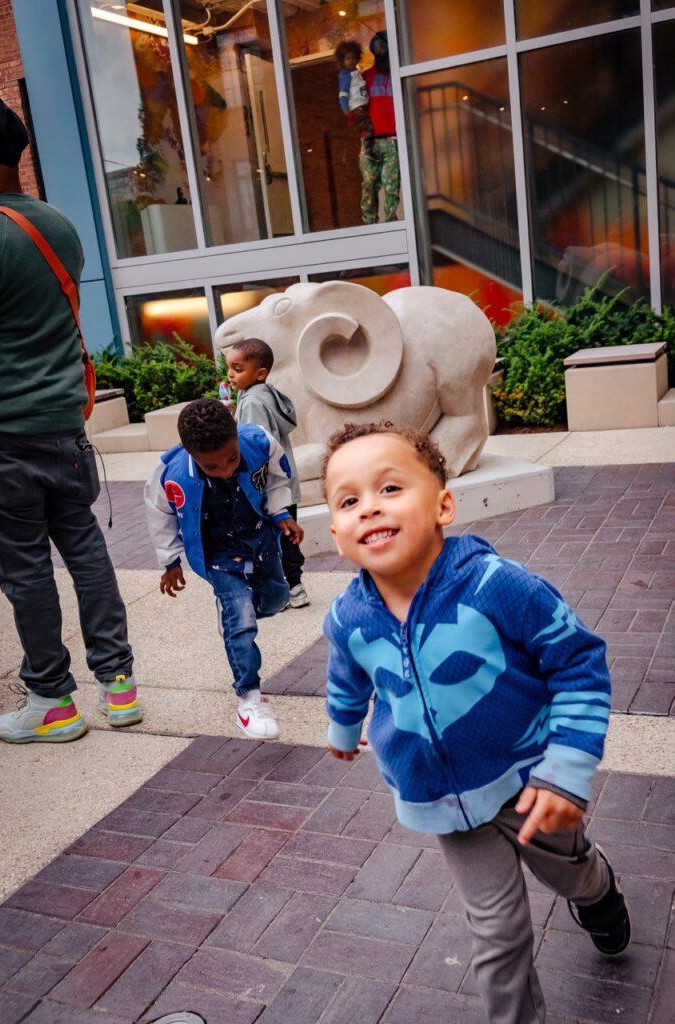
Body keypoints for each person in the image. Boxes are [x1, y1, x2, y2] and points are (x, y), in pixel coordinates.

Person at [322, 421, 630, 1024]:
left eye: (390, 488)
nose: (370, 508)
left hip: (531, 785)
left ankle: (598, 891)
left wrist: (567, 770)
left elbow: (579, 662)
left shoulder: (497, 585)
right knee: (497, 934)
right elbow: (348, 676)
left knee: (572, 875)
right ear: (336, 534)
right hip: (441, 799)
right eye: (349, 500)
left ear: (443, 505)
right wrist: (342, 726)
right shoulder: (346, 616)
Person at [0, 97, 141, 744]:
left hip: (4, 437)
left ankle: (52, 699)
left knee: (25, 570)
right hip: (64, 427)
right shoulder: (57, 223)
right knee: (85, 552)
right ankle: (119, 685)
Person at [144, 397, 303, 739]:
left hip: (259, 539)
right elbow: (160, 514)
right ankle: (249, 698)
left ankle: (234, 617)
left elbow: (278, 478)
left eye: (232, 458)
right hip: (216, 552)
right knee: (241, 619)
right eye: (212, 467)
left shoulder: (259, 442)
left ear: (236, 432)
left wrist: (280, 512)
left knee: (277, 599)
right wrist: (170, 560)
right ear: (190, 453)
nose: (226, 470)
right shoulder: (171, 473)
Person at [225, 338, 309, 609]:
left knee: (271, 539)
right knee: (288, 535)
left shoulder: (252, 402)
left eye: (238, 369)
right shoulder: (266, 394)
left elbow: (255, 446)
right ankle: (295, 586)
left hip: (267, 486)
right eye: (229, 368)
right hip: (283, 481)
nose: (230, 374)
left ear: (260, 373)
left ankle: (284, 591)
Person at [360, 31, 400, 225]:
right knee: (369, 184)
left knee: (391, 185)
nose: (381, 51)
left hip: (393, 138)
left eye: (384, 47)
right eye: (378, 48)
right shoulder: (365, 77)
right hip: (370, 139)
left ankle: (392, 221)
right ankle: (370, 226)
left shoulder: (399, 75)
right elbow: (356, 106)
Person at [335, 40, 375, 158]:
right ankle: (368, 152)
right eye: (348, 59)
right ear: (342, 61)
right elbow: (343, 94)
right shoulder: (345, 75)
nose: (352, 61)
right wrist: (345, 110)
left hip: (363, 105)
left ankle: (369, 149)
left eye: (353, 58)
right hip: (358, 107)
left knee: (367, 126)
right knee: (368, 128)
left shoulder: (356, 73)